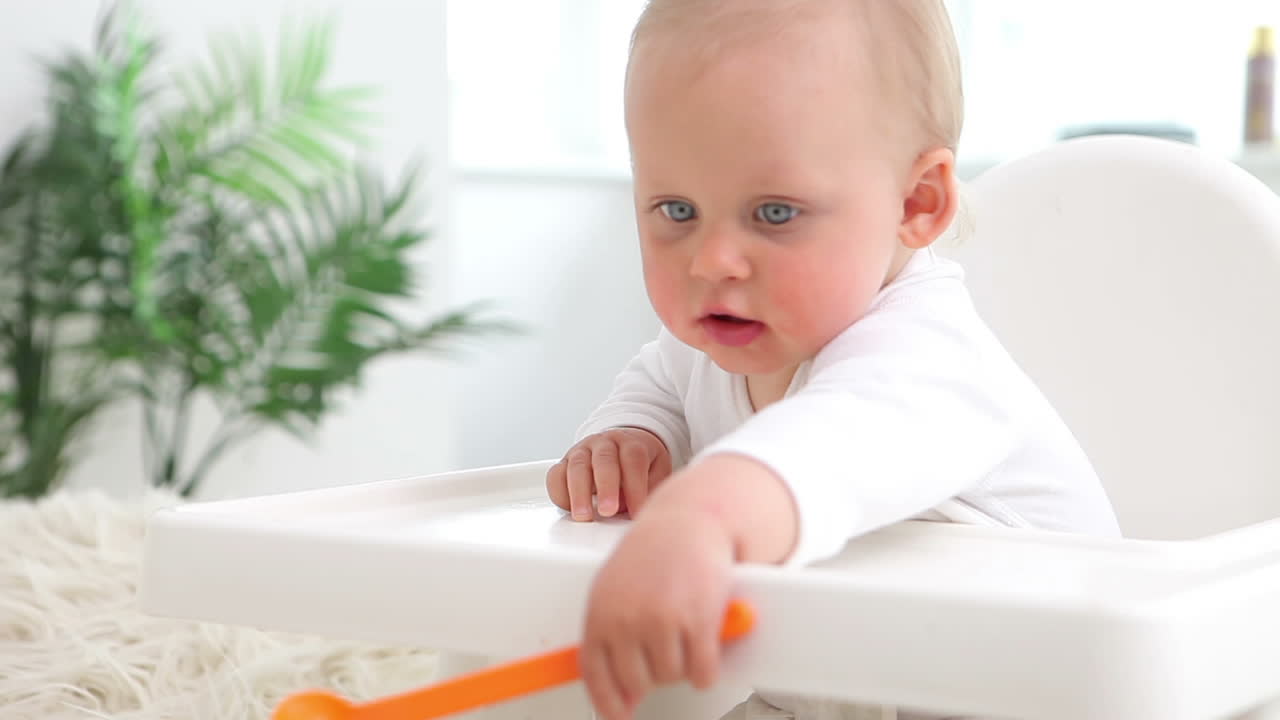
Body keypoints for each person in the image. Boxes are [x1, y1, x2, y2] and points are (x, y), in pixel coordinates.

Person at [544, 1, 1120, 718]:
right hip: (854, 686)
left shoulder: (930, 357)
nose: (713, 261)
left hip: (1041, 692)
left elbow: (830, 446)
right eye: (677, 211)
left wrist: (698, 518)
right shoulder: (719, 341)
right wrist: (631, 434)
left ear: (915, 201)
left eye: (774, 213)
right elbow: (659, 378)